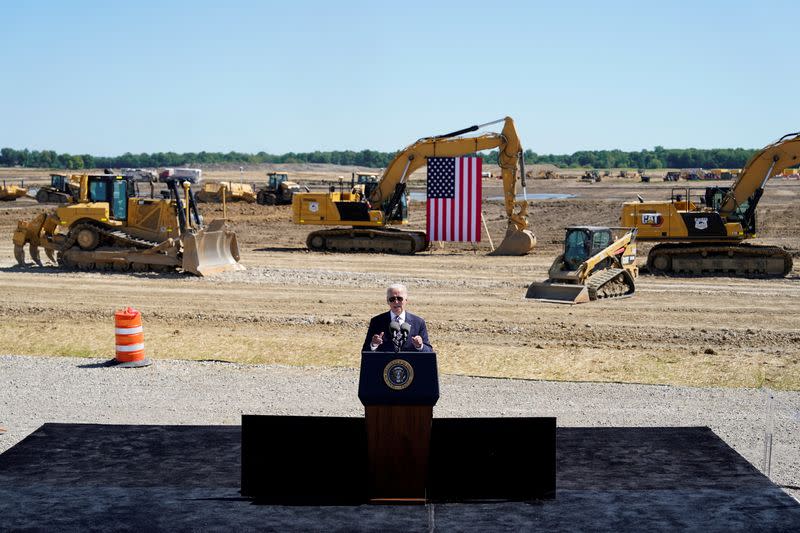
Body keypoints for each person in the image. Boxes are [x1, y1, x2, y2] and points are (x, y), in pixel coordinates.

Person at [362, 283, 433, 353]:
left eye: (399, 298)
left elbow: (429, 352)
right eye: (392, 299)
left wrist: (420, 346)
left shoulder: (418, 322)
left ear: (406, 300)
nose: (396, 302)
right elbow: (365, 351)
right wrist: (374, 345)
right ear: (387, 301)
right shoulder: (377, 322)